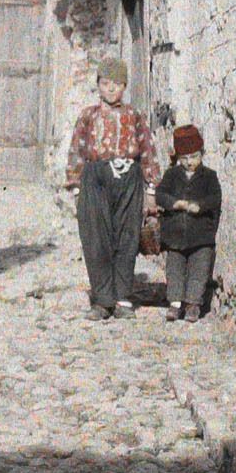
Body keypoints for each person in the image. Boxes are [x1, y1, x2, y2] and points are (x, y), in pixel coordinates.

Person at [64, 58, 159, 322]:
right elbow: (76, 151)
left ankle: (123, 297)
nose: (111, 89)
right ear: (98, 85)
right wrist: (76, 187)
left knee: (127, 238)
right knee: (96, 239)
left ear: (125, 86)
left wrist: (150, 188)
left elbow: (148, 151)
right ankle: (102, 300)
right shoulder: (88, 116)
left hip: (129, 178)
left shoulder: (134, 116)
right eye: (105, 83)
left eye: (116, 84)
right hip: (95, 178)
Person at [154, 124, 221, 323]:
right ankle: (175, 304)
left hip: (201, 235)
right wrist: (175, 203)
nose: (189, 162)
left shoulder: (209, 176)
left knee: (199, 269)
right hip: (175, 234)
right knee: (174, 269)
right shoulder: (171, 175)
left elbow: (215, 198)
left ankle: (193, 304)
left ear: (201, 154)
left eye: (193, 156)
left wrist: (199, 206)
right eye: (184, 158)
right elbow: (160, 195)